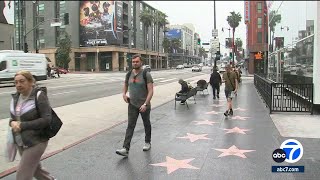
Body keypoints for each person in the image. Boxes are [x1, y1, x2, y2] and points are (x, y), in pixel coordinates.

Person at [9, 70, 55, 180]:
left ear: (30, 82)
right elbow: (13, 119)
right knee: (36, 170)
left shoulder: (39, 96)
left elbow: (46, 119)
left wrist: (22, 125)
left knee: (22, 176)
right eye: (16, 82)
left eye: (22, 81)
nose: (18, 85)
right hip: (21, 140)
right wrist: (12, 123)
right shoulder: (15, 98)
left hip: (37, 141)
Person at [116, 54, 154, 157]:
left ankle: (147, 142)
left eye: (137, 62)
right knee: (130, 126)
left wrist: (145, 104)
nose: (135, 63)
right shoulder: (129, 74)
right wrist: (124, 94)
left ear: (141, 62)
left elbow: (151, 91)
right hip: (132, 104)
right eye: (133, 62)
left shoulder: (146, 74)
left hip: (144, 105)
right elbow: (125, 85)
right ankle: (125, 148)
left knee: (146, 123)